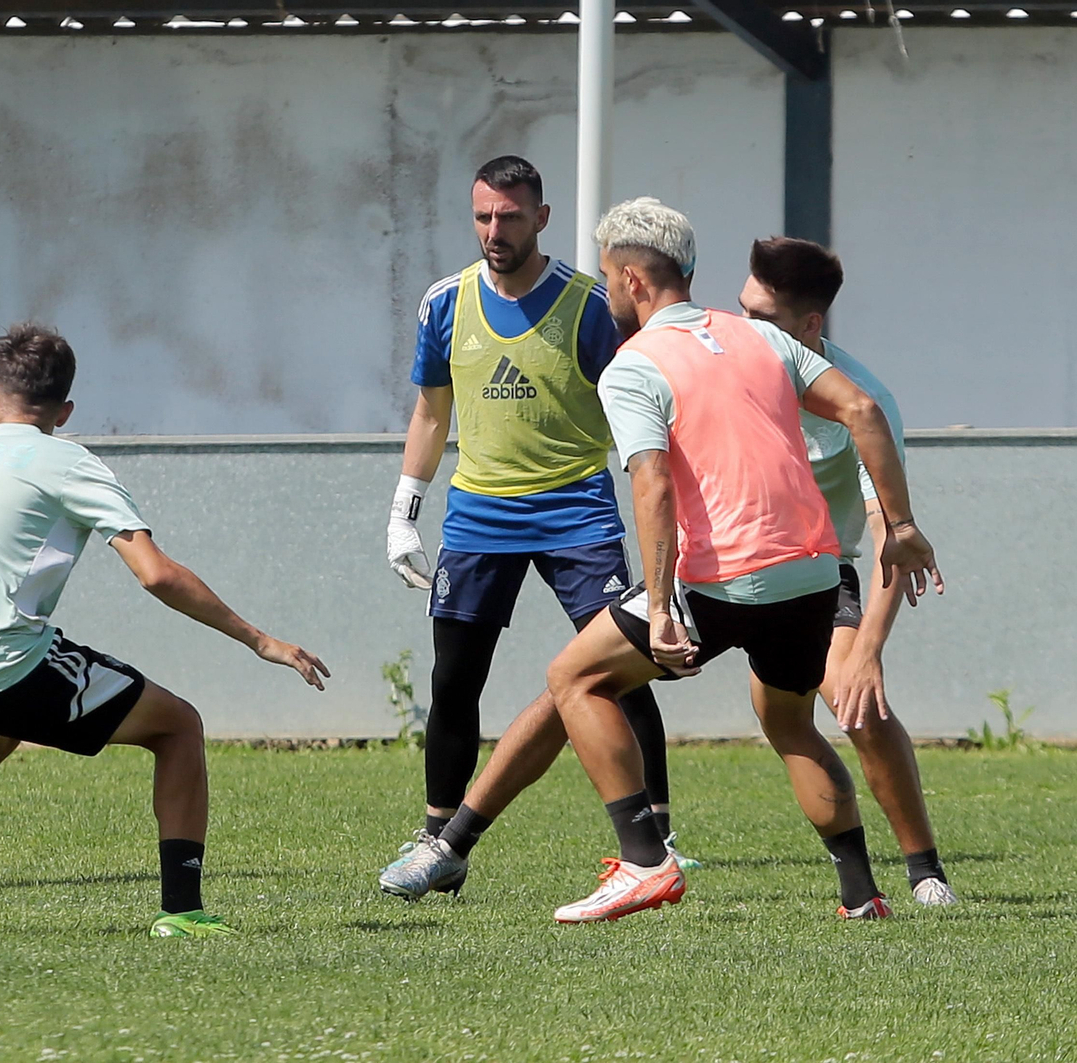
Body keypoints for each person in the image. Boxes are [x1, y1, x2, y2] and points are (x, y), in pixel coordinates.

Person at [387, 198, 943, 922]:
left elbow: (649, 482)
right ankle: (861, 894)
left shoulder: (635, 364)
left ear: (630, 280)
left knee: (572, 678)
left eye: (610, 280)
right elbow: (864, 411)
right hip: (811, 572)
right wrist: (899, 526)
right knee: (793, 725)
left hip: (719, 577)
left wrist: (656, 603)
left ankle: (643, 859)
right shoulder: (758, 340)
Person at [0, 324, 329, 938]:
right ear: (65, 411)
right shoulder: (70, 461)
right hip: (3, 666)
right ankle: (182, 910)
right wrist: (261, 640)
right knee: (179, 727)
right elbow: (156, 575)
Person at [379, 157, 691, 901]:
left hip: (576, 508)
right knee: (454, 679)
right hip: (479, 513)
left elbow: (638, 407)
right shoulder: (444, 303)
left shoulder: (590, 308)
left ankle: (659, 834)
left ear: (542, 219)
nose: (494, 230)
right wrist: (404, 510)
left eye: (510, 217)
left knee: (623, 667)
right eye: (483, 216)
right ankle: (437, 836)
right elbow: (431, 410)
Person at [740, 236, 956, 905]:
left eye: (764, 321)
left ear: (810, 328)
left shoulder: (862, 401)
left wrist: (867, 650)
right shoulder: (722, 374)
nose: (747, 333)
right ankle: (644, 846)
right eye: (741, 312)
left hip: (815, 573)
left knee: (860, 708)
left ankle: (923, 871)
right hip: (723, 571)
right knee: (583, 674)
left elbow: (897, 538)